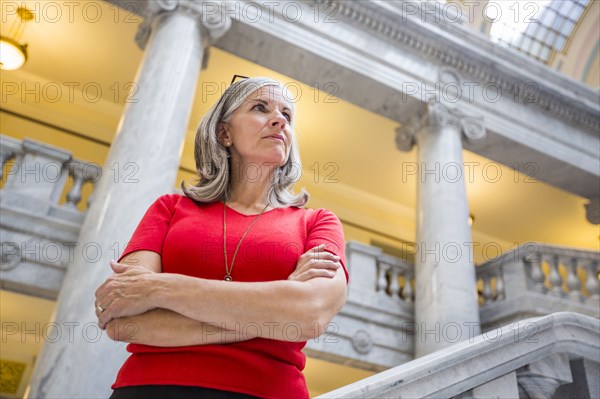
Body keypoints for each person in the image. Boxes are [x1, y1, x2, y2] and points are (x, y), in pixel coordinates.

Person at [94, 77, 349, 399]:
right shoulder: (170, 208)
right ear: (223, 133)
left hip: (266, 392)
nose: (279, 120)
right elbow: (124, 320)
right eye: (260, 107)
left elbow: (310, 314)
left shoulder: (318, 221)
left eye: (287, 114)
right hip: (149, 388)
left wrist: (159, 289)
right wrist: (273, 315)